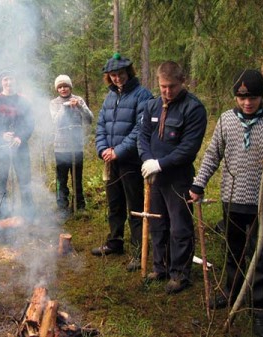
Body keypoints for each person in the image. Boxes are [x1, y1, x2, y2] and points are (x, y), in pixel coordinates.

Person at [189, 69, 263, 336]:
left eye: (253, 97)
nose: (247, 103)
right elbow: (212, 154)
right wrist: (199, 183)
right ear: (236, 97)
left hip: (262, 203)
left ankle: (260, 309)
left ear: (261, 97)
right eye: (242, 97)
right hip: (232, 199)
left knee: (260, 256)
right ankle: (232, 295)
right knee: (233, 251)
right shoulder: (225, 121)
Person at [138, 61, 207, 293]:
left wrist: (160, 163)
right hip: (154, 177)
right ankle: (161, 267)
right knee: (157, 222)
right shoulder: (152, 106)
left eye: (172, 87)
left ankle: (180, 274)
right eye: (163, 86)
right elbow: (143, 136)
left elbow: (188, 147)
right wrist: (148, 160)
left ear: (182, 81)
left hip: (179, 178)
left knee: (179, 226)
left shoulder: (193, 109)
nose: (167, 92)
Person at [92, 53, 153, 273]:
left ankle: (138, 251)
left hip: (131, 161)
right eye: (113, 75)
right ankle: (114, 242)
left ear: (129, 72)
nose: (117, 78)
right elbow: (100, 125)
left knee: (135, 207)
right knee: (114, 203)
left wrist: (118, 151)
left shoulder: (142, 95)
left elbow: (141, 129)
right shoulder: (110, 97)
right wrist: (103, 150)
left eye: (120, 74)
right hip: (112, 160)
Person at [0, 69, 35, 222]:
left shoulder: (24, 101)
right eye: (6, 79)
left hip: (21, 147)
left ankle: (29, 214)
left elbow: (30, 123)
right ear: (2, 82)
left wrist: (21, 137)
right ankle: (1, 214)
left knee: (25, 180)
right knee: (1, 181)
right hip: (1, 147)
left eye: (11, 79)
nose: (9, 82)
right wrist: (1, 135)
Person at [49, 75, 93, 216]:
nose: (63, 89)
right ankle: (62, 206)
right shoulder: (54, 103)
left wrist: (79, 107)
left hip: (77, 146)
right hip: (61, 147)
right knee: (61, 179)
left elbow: (89, 119)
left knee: (77, 178)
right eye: (60, 87)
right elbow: (55, 122)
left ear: (70, 87)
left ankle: (79, 206)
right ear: (57, 89)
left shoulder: (78, 100)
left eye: (65, 86)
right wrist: (65, 107)